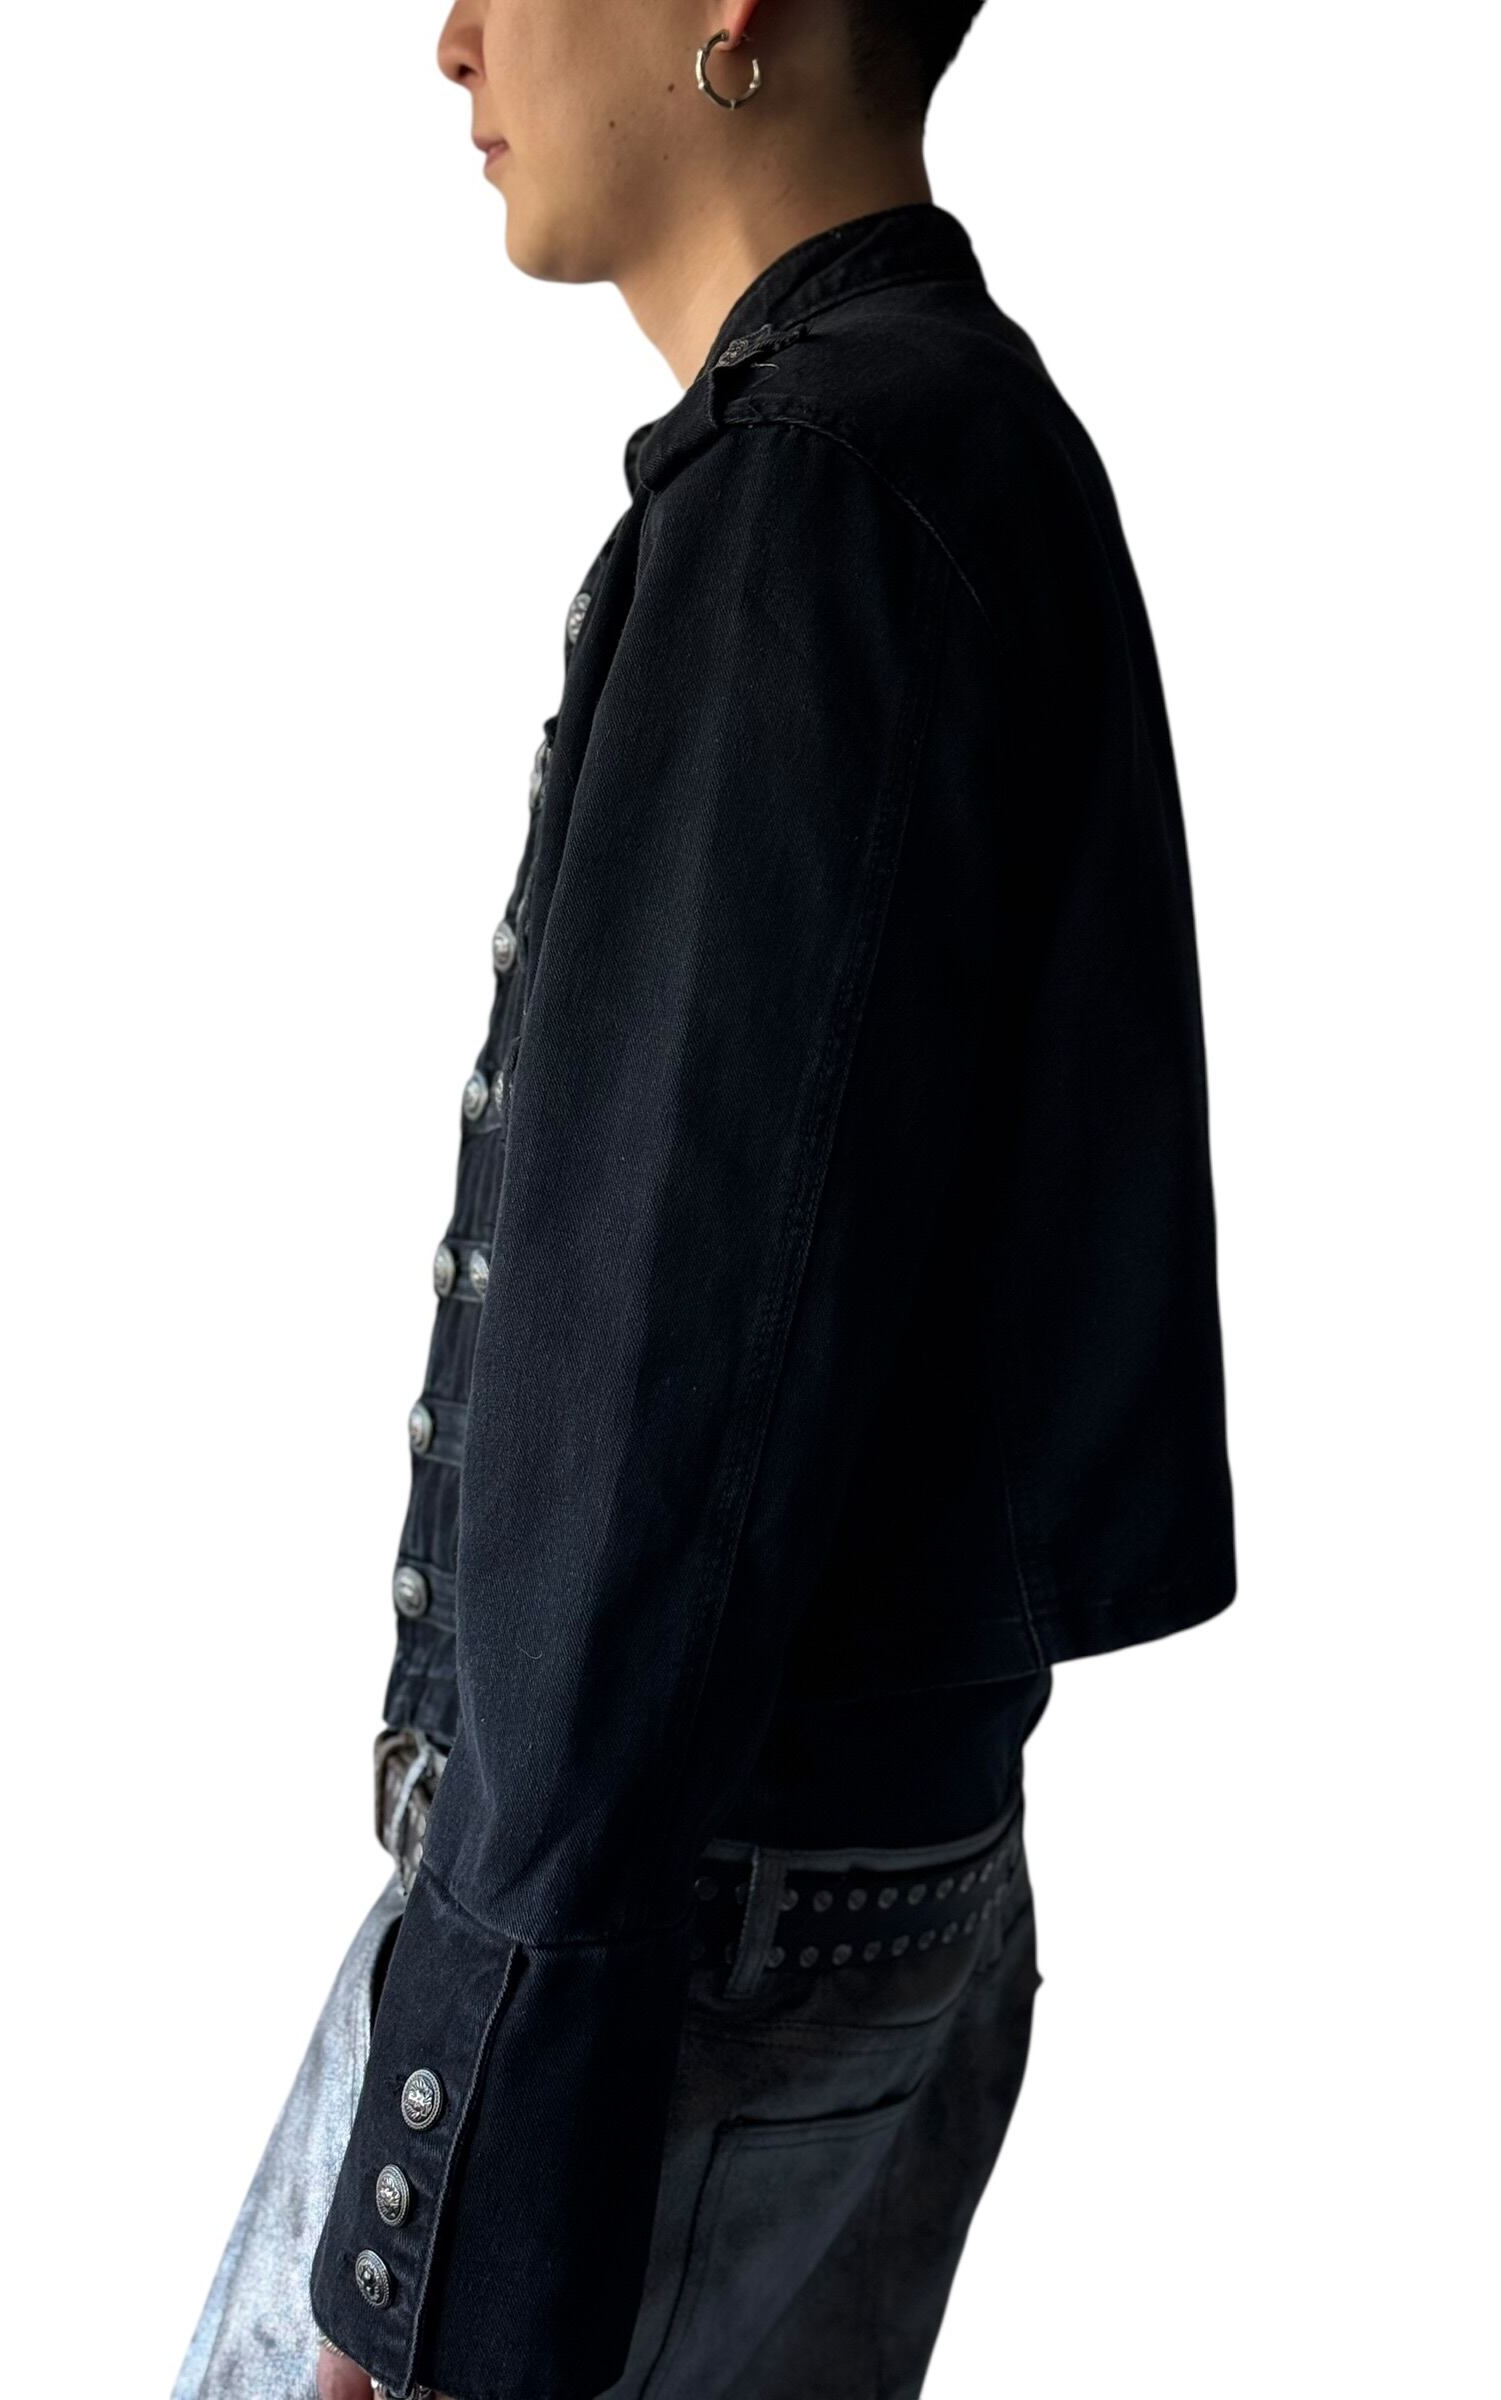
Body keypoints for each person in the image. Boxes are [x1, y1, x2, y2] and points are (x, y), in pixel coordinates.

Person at [174, 3, 1235, 2397]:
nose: (451, 39)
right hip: (845, 1899)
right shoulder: (973, 441)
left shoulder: (817, 501)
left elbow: (651, 1412)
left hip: (676, 1954)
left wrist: (437, 2205)